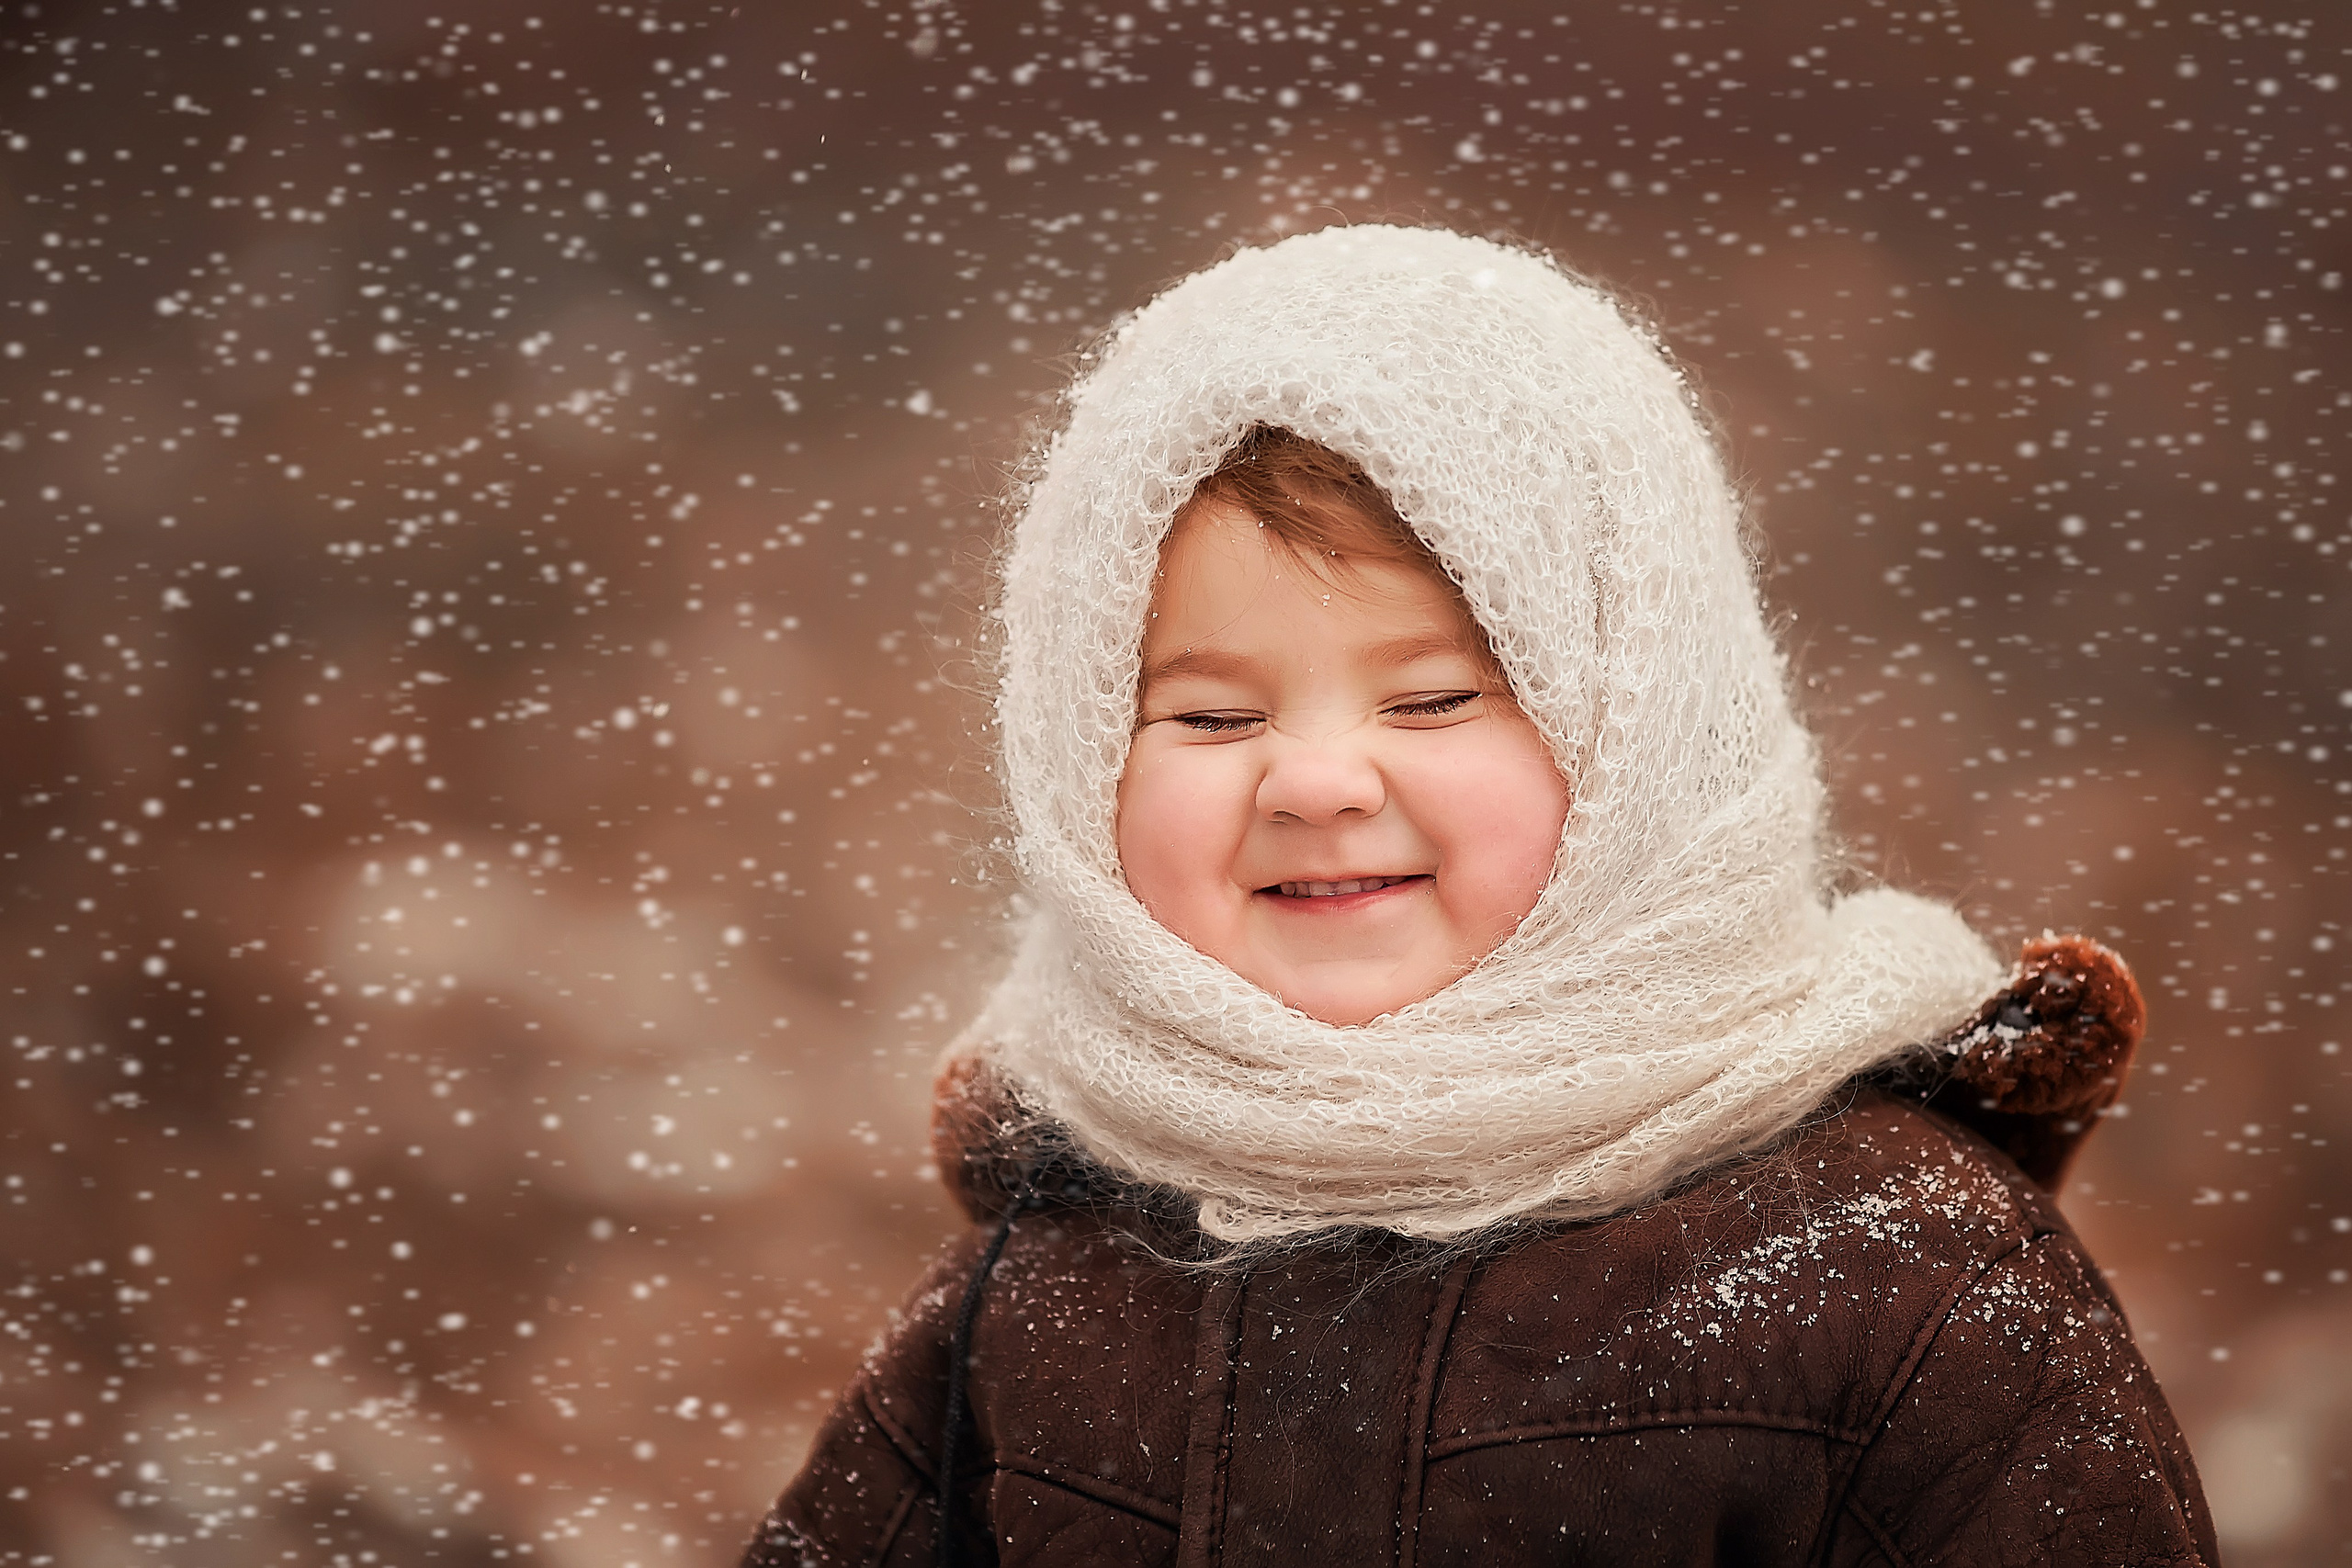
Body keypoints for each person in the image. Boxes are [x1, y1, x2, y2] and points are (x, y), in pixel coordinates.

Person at [741, 225, 2214, 1566]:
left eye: (1435, 699)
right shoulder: (1046, 1283)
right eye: (1210, 719)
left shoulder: (1897, 1271)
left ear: (1645, 743)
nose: (1315, 784)